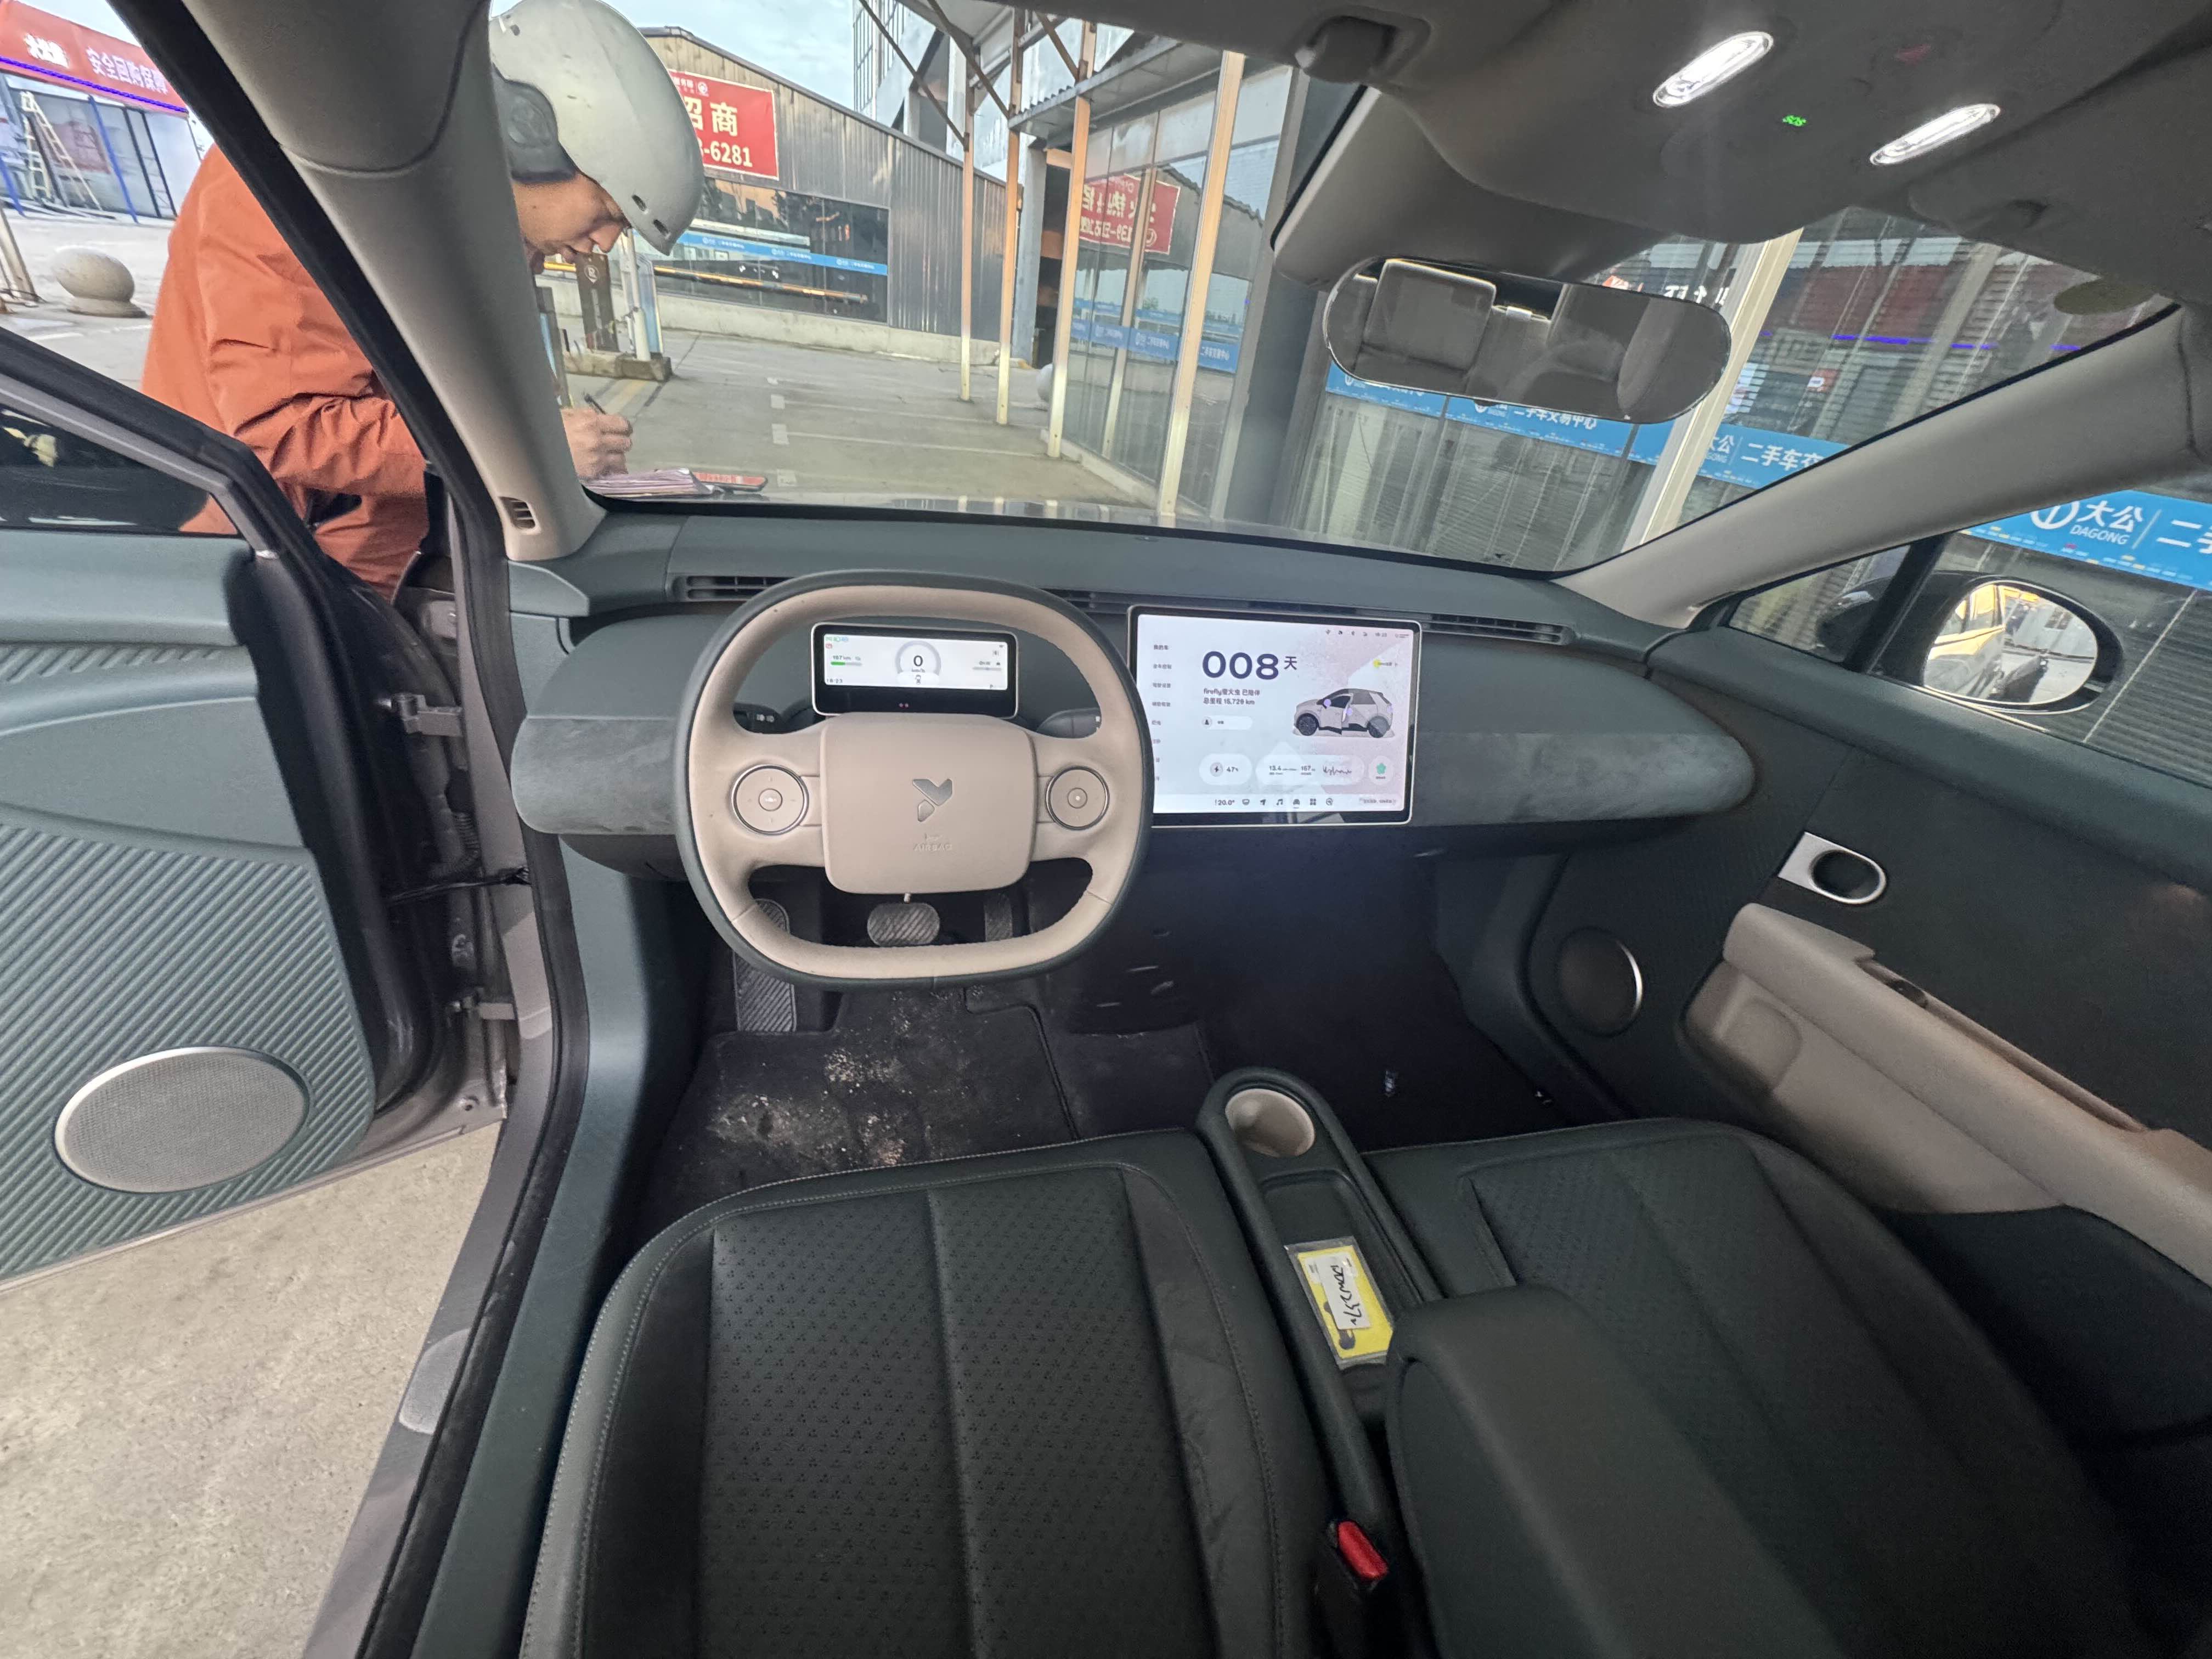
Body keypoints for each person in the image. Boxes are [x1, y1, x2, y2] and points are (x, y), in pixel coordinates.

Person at [142, 0, 704, 595]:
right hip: (287, 577)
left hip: (397, 562)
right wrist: (530, 455)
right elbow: (284, 428)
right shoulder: (302, 188)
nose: (607, 244)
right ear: (528, 136)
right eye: (609, 212)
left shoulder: (469, 228)